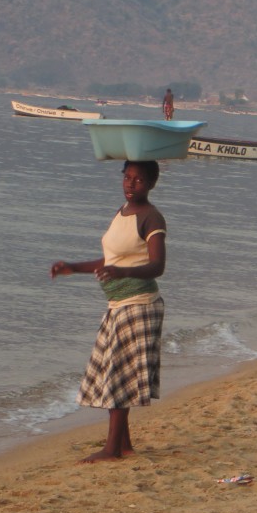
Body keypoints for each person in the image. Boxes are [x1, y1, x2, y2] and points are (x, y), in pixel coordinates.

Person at [51, 160, 167, 463]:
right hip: (117, 305)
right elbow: (110, 258)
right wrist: (73, 268)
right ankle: (124, 445)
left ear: (151, 184)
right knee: (116, 372)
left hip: (139, 305)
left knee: (117, 376)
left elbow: (158, 265)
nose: (131, 184)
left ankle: (112, 450)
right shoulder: (122, 212)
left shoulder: (151, 217)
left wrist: (123, 273)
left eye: (139, 180)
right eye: (127, 177)